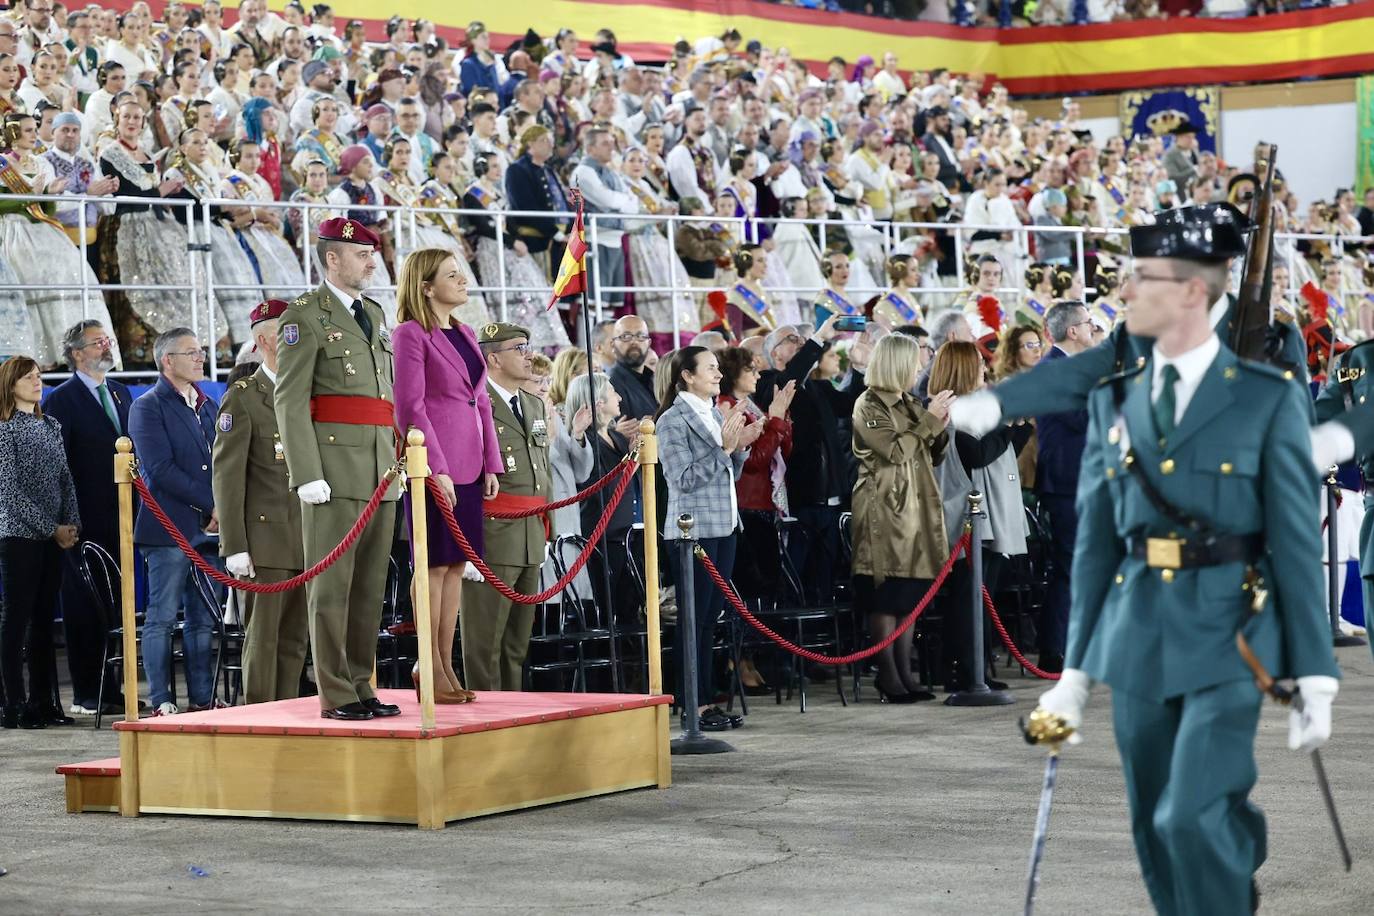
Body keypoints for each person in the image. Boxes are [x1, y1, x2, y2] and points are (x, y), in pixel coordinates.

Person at [1033, 205, 1339, 915]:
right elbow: (1095, 547)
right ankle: (1217, 872)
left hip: (1234, 617)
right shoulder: (1120, 378)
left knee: (1189, 813)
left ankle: (1224, 865)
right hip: (1139, 624)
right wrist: (1074, 673)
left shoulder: (1267, 360)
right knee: (1152, 818)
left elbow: (1292, 532)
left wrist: (1314, 669)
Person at [274, 216, 402, 722]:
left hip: (378, 472)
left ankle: (361, 682)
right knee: (331, 590)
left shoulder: (373, 312)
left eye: (372, 253)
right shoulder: (303, 315)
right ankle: (335, 691)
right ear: (332, 258)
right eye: (361, 254)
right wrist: (306, 473)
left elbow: (383, 398)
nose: (371, 261)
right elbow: (290, 400)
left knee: (370, 589)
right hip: (332, 470)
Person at [393, 250, 504, 703]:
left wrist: (491, 462)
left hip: (471, 465)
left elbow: (481, 401)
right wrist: (434, 466)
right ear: (425, 286)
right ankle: (430, 664)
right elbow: (409, 407)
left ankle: (445, 662)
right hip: (434, 465)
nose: (463, 281)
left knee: (456, 567)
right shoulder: (409, 334)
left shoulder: (466, 332)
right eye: (452, 275)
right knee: (432, 565)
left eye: (462, 274)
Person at [655, 346, 763, 731]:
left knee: (708, 619)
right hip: (692, 530)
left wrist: (739, 447)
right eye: (711, 368)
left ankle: (704, 699)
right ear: (686, 375)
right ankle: (692, 705)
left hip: (723, 525)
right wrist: (725, 448)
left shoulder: (715, 411)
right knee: (693, 619)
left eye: (719, 369)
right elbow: (681, 479)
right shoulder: (671, 421)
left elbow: (727, 472)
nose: (719, 374)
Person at [211, 300, 307, 704]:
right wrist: (234, 545)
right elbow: (227, 475)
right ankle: (258, 718)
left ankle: (286, 716)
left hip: (307, 537)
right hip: (265, 542)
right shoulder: (245, 398)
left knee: (295, 641)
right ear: (267, 341)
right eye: (290, 334)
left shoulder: (305, 392)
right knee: (263, 640)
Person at [851, 329, 954, 704]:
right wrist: (928, 422)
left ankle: (906, 673)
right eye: (915, 361)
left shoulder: (910, 403)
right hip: (886, 506)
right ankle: (888, 676)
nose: (920, 367)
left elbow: (931, 451)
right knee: (887, 595)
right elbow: (893, 451)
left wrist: (939, 425)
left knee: (910, 594)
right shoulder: (869, 404)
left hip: (918, 504)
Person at [128, 328, 224, 716]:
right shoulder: (148, 406)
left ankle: (202, 699)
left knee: (202, 620)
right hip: (168, 529)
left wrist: (222, 507)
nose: (200, 358)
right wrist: (213, 503)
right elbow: (161, 470)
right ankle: (161, 700)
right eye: (192, 352)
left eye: (201, 351)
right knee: (162, 617)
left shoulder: (208, 405)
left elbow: (223, 461)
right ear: (168, 360)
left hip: (210, 530)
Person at [928, 340, 1029, 692]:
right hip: (968, 512)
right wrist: (1009, 424)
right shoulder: (951, 408)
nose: (985, 371)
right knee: (968, 596)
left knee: (984, 594)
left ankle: (978, 668)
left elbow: (999, 450)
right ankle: (963, 669)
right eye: (979, 366)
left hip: (991, 506)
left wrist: (1020, 427)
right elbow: (978, 454)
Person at [43, 322, 132, 716]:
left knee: (117, 605)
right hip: (84, 521)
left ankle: (113, 688)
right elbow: (55, 467)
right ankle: (88, 690)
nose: (106, 347)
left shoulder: (120, 392)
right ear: (77, 353)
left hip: (123, 517)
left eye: (107, 341)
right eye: (98, 343)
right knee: (85, 607)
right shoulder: (62, 399)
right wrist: (64, 519)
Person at [461, 321, 552, 691]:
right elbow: (465, 475)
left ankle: (513, 711)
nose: (528, 355)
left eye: (528, 346)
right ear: (493, 358)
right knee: (485, 642)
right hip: (493, 535)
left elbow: (543, 472)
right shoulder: (474, 402)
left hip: (531, 532)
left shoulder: (533, 404)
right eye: (519, 348)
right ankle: (486, 718)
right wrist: (466, 546)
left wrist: (548, 530)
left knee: (517, 643)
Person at [0, 355, 79, 729]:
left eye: (38, 376)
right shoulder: (4, 429)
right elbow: (8, 492)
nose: (37, 381)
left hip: (53, 535)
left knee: (45, 620)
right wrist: (51, 527)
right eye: (28, 377)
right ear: (10, 383)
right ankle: (13, 702)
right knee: (16, 619)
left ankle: (44, 701)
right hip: (18, 535)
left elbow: (65, 477)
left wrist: (71, 523)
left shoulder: (51, 425)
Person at [716, 347, 795, 694]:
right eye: (751, 369)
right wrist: (775, 421)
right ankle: (737, 661)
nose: (758, 375)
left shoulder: (751, 408)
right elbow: (753, 461)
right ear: (735, 373)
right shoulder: (727, 408)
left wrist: (780, 420)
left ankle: (749, 660)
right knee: (744, 593)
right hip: (745, 507)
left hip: (763, 506)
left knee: (761, 593)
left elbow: (782, 451)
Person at [1032, 301, 1095, 674]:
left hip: (1083, 479)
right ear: (1072, 331)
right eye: (1088, 324)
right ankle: (1054, 649)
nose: (1092, 329)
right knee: (1069, 566)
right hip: (1067, 482)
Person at [607, 314, 658, 421]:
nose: (634, 342)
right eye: (626, 337)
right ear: (612, 345)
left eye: (641, 336)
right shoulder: (609, 385)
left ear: (649, 343)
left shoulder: (656, 379)